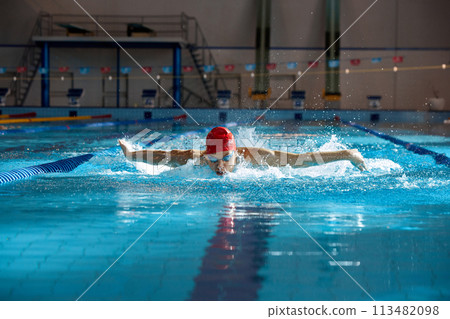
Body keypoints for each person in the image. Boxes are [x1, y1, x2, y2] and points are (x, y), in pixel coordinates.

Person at [119, 126, 367, 176]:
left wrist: (346, 154)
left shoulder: (255, 158)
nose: (219, 166)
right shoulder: (195, 159)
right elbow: (160, 156)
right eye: (213, 159)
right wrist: (131, 155)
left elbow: (301, 161)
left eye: (226, 158)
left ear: (235, 155)